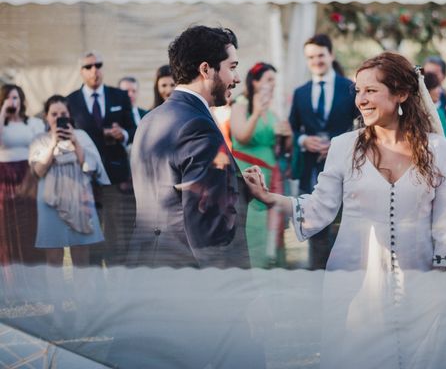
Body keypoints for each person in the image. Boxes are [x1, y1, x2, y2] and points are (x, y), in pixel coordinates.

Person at [245, 51, 446, 367]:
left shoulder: (438, 149)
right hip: (355, 292)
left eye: (371, 90)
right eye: (358, 91)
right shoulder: (344, 147)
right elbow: (319, 208)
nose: (361, 100)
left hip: (423, 290)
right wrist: (270, 199)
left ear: (401, 94)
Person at [128, 25, 257, 269]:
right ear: (206, 69)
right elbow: (209, 226)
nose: (238, 78)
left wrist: (239, 186)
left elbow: (170, 192)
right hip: (186, 271)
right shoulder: (198, 126)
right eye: (232, 67)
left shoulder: (150, 119)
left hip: (147, 263)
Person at [29, 95, 109, 307]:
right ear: (46, 117)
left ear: (69, 115)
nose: (58, 118)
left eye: (63, 114)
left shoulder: (81, 136)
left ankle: (83, 305)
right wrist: (54, 143)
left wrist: (74, 143)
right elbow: (38, 171)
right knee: (53, 259)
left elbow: (91, 167)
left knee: (81, 258)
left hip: (80, 201)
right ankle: (57, 308)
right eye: (54, 114)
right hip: (50, 204)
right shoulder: (40, 139)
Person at [288, 34, 359, 269]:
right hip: (311, 171)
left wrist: (340, 145)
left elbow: (362, 125)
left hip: (347, 170)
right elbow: (293, 129)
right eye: (310, 57)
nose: (316, 61)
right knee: (315, 228)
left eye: (320, 55)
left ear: (331, 55)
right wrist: (303, 141)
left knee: (344, 227)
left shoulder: (350, 88)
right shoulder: (300, 93)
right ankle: (317, 278)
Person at [66, 53, 136, 266]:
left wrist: (122, 134)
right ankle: (95, 284)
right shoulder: (71, 101)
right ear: (81, 71)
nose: (94, 70)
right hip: (85, 177)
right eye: (89, 66)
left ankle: (118, 283)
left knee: (117, 234)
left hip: (115, 176)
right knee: (91, 230)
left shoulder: (119, 96)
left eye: (98, 65)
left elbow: (133, 129)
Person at [230, 62, 292, 268]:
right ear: (255, 82)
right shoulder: (240, 104)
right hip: (248, 173)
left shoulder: (271, 110)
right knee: (253, 225)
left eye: (275, 80)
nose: (273, 84)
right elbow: (242, 136)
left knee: (271, 226)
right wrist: (256, 112)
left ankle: (272, 264)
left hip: (270, 174)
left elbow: (279, 147)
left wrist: (288, 134)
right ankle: (254, 268)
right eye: (269, 80)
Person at [0, 84, 45, 299]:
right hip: (4, 179)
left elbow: (41, 145)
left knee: (31, 228)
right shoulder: (2, 124)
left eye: (16, 98)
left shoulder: (33, 123)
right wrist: (3, 112)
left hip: (28, 178)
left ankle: (36, 283)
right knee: (9, 231)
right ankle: (12, 286)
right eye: (8, 98)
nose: (13, 102)